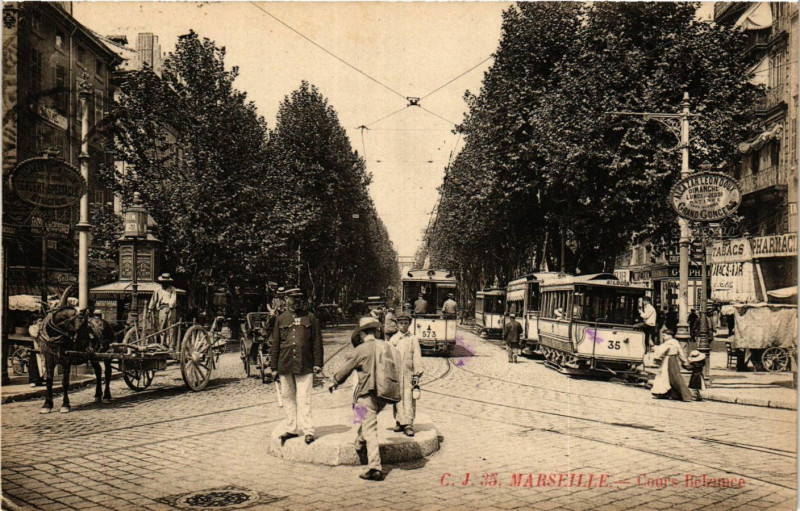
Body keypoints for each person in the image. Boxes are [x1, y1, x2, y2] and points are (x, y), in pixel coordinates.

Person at [330, 317, 399, 481]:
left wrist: (334, 382)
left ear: (362, 334)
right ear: (376, 331)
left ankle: (375, 467)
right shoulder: (387, 346)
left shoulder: (360, 350)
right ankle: (359, 442)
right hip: (384, 395)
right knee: (368, 421)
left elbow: (345, 370)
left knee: (370, 430)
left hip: (366, 393)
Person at [269, 288, 324, 445]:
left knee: (304, 398)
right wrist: (273, 367)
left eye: (299, 299)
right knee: (287, 397)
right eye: (293, 299)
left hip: (304, 364)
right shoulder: (281, 319)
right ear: (286, 300)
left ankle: (308, 431)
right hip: (285, 364)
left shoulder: (310, 318)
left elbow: (317, 342)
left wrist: (318, 363)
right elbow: (275, 345)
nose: (296, 302)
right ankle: (292, 428)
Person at [390, 312, 422, 437]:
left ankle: (408, 423)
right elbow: (389, 356)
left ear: (409, 324)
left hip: (409, 373)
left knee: (408, 397)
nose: (403, 326)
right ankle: (399, 421)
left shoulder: (413, 339)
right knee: (397, 397)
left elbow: (417, 356)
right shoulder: (393, 339)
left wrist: (416, 373)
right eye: (401, 323)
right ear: (397, 325)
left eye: (406, 323)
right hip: (396, 373)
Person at [650, 328, 692, 402]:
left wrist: (655, 353)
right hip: (672, 360)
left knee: (670, 377)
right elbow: (681, 353)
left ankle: (684, 395)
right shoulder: (675, 342)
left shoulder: (669, 343)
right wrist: (684, 361)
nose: (663, 337)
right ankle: (674, 394)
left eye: (664, 335)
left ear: (670, 336)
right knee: (671, 377)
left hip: (669, 360)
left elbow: (660, 351)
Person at [149, 274, 178, 349]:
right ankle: (163, 344)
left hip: (171, 309)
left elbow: (173, 299)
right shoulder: (157, 290)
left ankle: (171, 345)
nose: (165, 283)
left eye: (166, 282)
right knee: (162, 327)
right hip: (161, 308)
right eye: (163, 282)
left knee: (171, 327)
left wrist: (170, 306)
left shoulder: (172, 289)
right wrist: (150, 309)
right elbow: (153, 300)